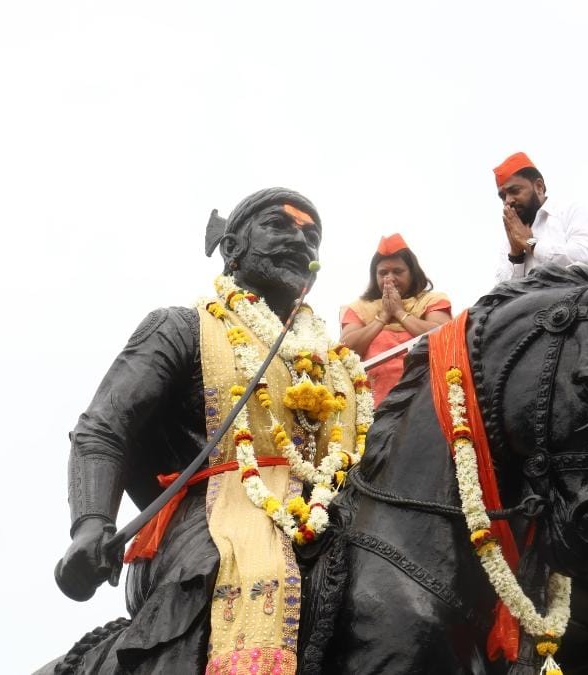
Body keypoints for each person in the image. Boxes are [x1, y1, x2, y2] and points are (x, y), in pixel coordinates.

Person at [53, 188, 369, 675]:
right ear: (231, 248)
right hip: (207, 525)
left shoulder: (339, 365)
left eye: (312, 236)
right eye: (279, 226)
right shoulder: (181, 327)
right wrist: (91, 523)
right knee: (253, 568)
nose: (301, 242)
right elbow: (103, 427)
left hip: (328, 514)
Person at [340, 233, 452, 407]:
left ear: (412, 273)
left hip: (427, 401)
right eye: (383, 273)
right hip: (372, 406)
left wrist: (399, 313)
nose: (390, 278)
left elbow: (446, 336)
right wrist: (383, 317)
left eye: (397, 272)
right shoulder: (359, 308)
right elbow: (346, 349)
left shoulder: (432, 300)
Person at [492, 151, 588, 283]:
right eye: (503, 197)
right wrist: (516, 255)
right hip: (540, 303)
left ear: (539, 187)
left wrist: (530, 242)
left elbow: (583, 259)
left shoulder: (571, 211)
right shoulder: (511, 240)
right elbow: (504, 293)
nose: (508, 200)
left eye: (514, 191)